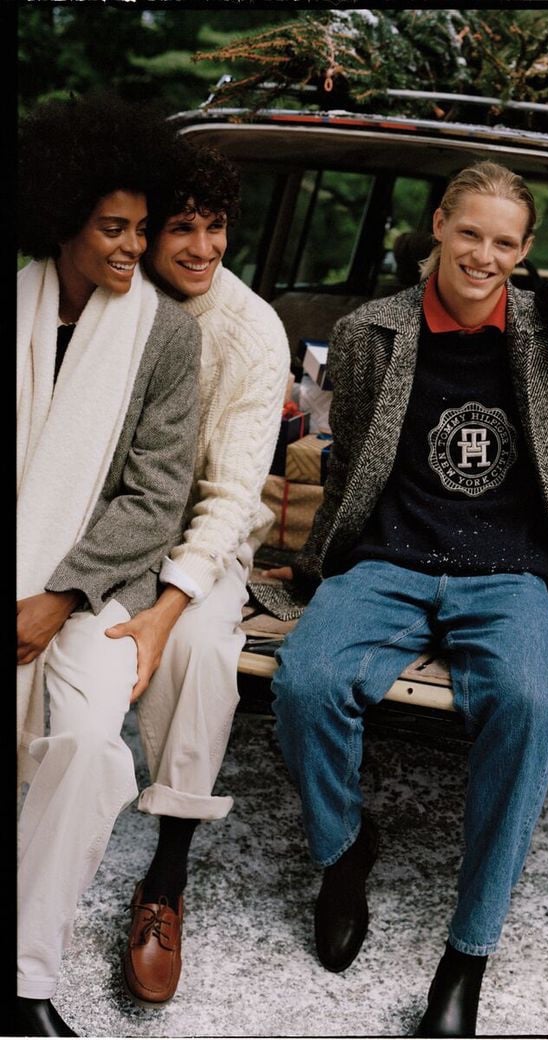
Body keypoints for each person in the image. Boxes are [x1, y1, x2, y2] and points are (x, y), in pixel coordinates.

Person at [265, 160, 548, 1036]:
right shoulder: (368, 332)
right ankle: (345, 851)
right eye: (470, 234)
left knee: (533, 703)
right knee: (304, 680)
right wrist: (312, 562)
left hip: (511, 574)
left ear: (528, 250)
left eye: (506, 242)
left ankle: (468, 953)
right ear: (438, 230)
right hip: (389, 562)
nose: (484, 255)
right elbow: (347, 465)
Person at [16, 95, 202, 1037]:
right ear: (63, 219)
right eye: (112, 228)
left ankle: (22, 975)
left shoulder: (167, 337)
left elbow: (155, 498)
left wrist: (54, 596)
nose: (135, 247)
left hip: (94, 593)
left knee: (92, 750)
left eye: (142, 226)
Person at [104, 142, 289, 1007]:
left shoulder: (252, 331)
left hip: (207, 541)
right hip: (104, 530)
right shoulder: (110, 299)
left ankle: (166, 881)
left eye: (216, 228)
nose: (204, 247)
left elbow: (230, 496)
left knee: (204, 653)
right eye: (182, 228)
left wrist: (173, 601)